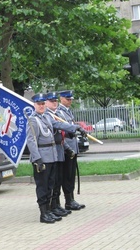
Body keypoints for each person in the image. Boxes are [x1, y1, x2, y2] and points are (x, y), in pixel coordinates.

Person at [26, 93, 83, 224]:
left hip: (52, 156)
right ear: (34, 105)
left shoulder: (46, 116)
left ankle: (49, 210)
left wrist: (75, 127)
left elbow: (59, 125)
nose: (41, 106)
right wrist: (37, 159)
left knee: (51, 185)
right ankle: (43, 213)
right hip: (42, 157)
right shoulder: (33, 120)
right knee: (43, 186)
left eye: (42, 104)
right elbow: (31, 141)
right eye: (39, 104)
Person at [56, 90, 86, 211]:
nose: (70, 101)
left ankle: (71, 199)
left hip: (73, 146)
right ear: (61, 99)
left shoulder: (67, 112)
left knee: (71, 174)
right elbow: (64, 130)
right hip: (66, 147)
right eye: (68, 99)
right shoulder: (59, 113)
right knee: (67, 175)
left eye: (71, 99)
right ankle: (68, 200)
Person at [45, 92, 73, 218]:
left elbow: (60, 135)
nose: (54, 103)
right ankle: (52, 206)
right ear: (46, 103)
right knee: (54, 181)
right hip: (52, 151)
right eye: (51, 101)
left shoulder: (56, 114)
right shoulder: (46, 116)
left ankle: (57, 205)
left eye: (55, 101)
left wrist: (67, 148)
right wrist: (73, 127)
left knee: (59, 180)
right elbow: (56, 126)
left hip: (60, 149)